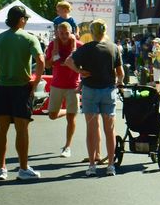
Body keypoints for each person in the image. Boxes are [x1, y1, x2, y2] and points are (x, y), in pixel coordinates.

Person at [0, 5, 45, 181]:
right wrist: (35, 82)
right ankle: (22, 168)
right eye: (26, 19)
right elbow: (41, 60)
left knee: (1, 128)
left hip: (2, 88)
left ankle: (1, 169)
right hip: (21, 87)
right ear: (21, 20)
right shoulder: (29, 38)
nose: (26, 22)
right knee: (21, 129)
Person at [65, 19, 123, 176]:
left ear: (92, 32)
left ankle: (92, 165)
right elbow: (120, 73)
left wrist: (80, 71)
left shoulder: (86, 48)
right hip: (108, 91)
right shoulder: (114, 48)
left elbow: (68, 61)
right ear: (104, 31)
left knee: (91, 129)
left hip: (90, 90)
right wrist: (119, 83)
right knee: (109, 129)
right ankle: (111, 165)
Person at [44, 21, 80, 158]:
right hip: (57, 85)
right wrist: (53, 55)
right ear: (57, 33)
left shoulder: (79, 45)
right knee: (52, 115)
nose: (64, 36)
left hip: (73, 86)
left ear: (71, 32)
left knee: (71, 118)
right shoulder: (53, 45)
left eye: (66, 33)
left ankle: (67, 146)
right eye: (61, 33)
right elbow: (47, 64)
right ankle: (67, 111)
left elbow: (84, 65)